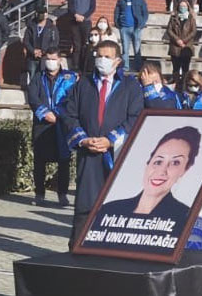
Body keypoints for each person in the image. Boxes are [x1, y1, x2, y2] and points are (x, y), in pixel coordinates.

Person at [61, 40, 144, 246]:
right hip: (89, 154)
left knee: (118, 207)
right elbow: (69, 114)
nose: (101, 60)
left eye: (107, 57)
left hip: (118, 155)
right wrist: (83, 139)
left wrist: (110, 140)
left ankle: (113, 251)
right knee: (85, 206)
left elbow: (135, 117)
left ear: (117, 61)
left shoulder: (130, 86)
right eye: (99, 56)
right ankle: (78, 251)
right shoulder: (83, 84)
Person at [96, 126, 199, 222]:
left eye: (175, 163)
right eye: (158, 162)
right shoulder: (110, 210)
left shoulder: (183, 216)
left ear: (185, 170)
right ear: (148, 164)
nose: (162, 171)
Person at [28, 50, 75, 207]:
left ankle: (62, 194)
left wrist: (58, 115)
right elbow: (33, 97)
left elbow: (72, 99)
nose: (50, 62)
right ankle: (39, 194)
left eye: (53, 59)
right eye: (48, 59)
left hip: (62, 124)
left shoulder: (70, 78)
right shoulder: (38, 77)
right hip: (42, 125)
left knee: (64, 161)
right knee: (39, 161)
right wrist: (44, 113)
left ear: (60, 60)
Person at [114, 0, 149, 72]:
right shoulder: (121, 0)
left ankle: (138, 67)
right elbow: (116, 12)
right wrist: (118, 24)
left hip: (136, 27)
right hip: (124, 28)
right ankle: (125, 67)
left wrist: (142, 24)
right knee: (125, 49)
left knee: (137, 49)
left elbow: (145, 13)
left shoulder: (140, 0)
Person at [23, 9, 59, 88]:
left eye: (43, 14)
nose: (41, 16)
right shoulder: (31, 26)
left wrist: (44, 52)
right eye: (39, 14)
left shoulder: (51, 27)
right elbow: (26, 41)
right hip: (32, 57)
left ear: (46, 14)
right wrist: (33, 51)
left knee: (45, 77)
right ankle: (33, 94)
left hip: (45, 57)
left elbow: (54, 41)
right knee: (33, 77)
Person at [67, 0, 96, 69]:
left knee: (85, 44)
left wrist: (84, 16)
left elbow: (92, 8)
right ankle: (75, 65)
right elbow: (70, 7)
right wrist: (76, 15)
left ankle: (85, 65)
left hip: (86, 22)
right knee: (76, 45)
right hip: (74, 22)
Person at [166, 0, 198, 80]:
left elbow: (193, 31)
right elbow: (169, 30)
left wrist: (184, 41)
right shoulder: (173, 18)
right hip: (175, 46)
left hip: (186, 46)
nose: (182, 7)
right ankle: (176, 83)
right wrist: (177, 40)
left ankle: (184, 84)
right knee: (176, 68)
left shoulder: (191, 18)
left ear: (188, 7)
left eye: (184, 6)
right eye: (181, 6)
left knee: (185, 68)